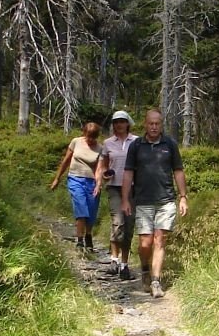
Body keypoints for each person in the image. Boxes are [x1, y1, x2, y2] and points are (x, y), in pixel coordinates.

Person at [121, 109, 187, 298]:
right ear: (145, 124)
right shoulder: (136, 146)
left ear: (161, 125)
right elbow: (128, 173)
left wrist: (183, 197)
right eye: (151, 123)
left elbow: (178, 170)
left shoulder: (170, 144)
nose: (154, 127)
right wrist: (125, 199)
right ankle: (144, 270)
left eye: (157, 123)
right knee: (145, 243)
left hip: (166, 200)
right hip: (143, 201)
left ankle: (156, 281)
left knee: (160, 240)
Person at [93, 110, 138, 280]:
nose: (119, 124)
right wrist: (104, 175)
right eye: (116, 122)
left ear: (127, 123)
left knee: (128, 225)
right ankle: (114, 259)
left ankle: (125, 264)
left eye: (122, 121)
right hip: (114, 187)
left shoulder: (136, 141)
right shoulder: (107, 143)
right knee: (117, 222)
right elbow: (103, 166)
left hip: (133, 188)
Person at [49, 121, 103, 251]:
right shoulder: (76, 142)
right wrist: (57, 178)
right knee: (81, 207)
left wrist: (98, 184)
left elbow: (99, 168)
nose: (90, 140)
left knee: (91, 210)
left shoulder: (100, 148)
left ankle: (88, 236)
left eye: (93, 137)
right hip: (75, 178)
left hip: (91, 181)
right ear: (84, 133)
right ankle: (79, 239)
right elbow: (66, 160)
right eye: (88, 136)